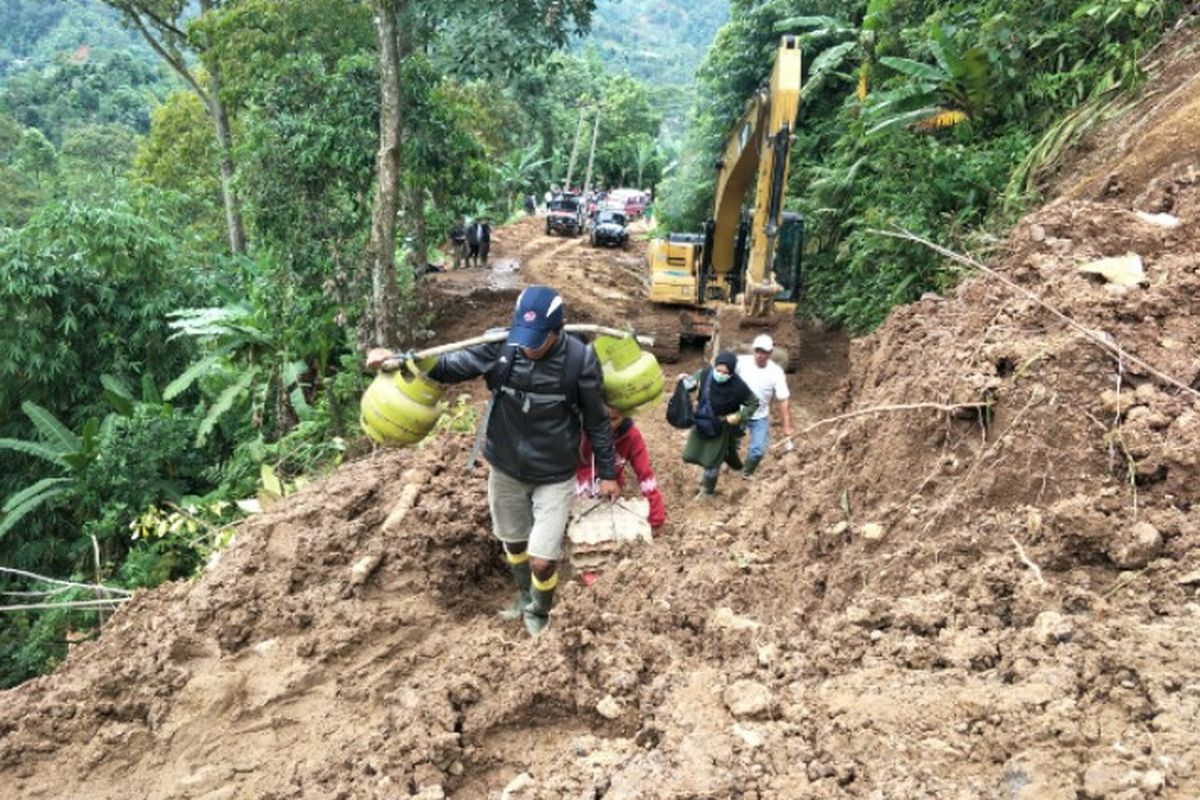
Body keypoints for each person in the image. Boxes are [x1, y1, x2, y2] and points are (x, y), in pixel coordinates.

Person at [367, 286, 619, 637]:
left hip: (554, 472)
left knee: (543, 560)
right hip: (506, 465)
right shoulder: (504, 345)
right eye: (524, 336)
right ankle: (523, 595)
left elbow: (596, 420)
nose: (529, 346)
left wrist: (607, 472)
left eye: (538, 339)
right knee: (513, 542)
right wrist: (400, 359)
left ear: (557, 330)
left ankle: (540, 612)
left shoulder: (580, 360)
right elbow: (448, 367)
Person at [679, 351, 758, 498]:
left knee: (712, 461)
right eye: (718, 370)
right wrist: (685, 380)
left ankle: (707, 491)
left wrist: (739, 416)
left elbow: (753, 403)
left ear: (731, 372)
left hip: (721, 426)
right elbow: (691, 385)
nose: (720, 374)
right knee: (693, 453)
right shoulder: (705, 374)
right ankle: (704, 477)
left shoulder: (738, 387)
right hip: (702, 421)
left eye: (724, 372)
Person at [576, 406, 665, 532]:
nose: (606, 425)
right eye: (601, 418)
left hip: (610, 496)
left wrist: (656, 519)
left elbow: (645, 475)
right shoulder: (577, 432)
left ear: (625, 415)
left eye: (613, 419)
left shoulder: (631, 436)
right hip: (577, 494)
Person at [736, 334, 794, 478]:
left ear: (770, 353)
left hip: (760, 415)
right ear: (753, 350)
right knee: (729, 443)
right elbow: (721, 371)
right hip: (738, 411)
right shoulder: (740, 362)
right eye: (758, 351)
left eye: (764, 352)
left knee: (758, 450)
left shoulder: (776, 372)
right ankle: (726, 463)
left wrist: (787, 426)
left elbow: (784, 399)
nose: (760, 355)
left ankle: (747, 472)